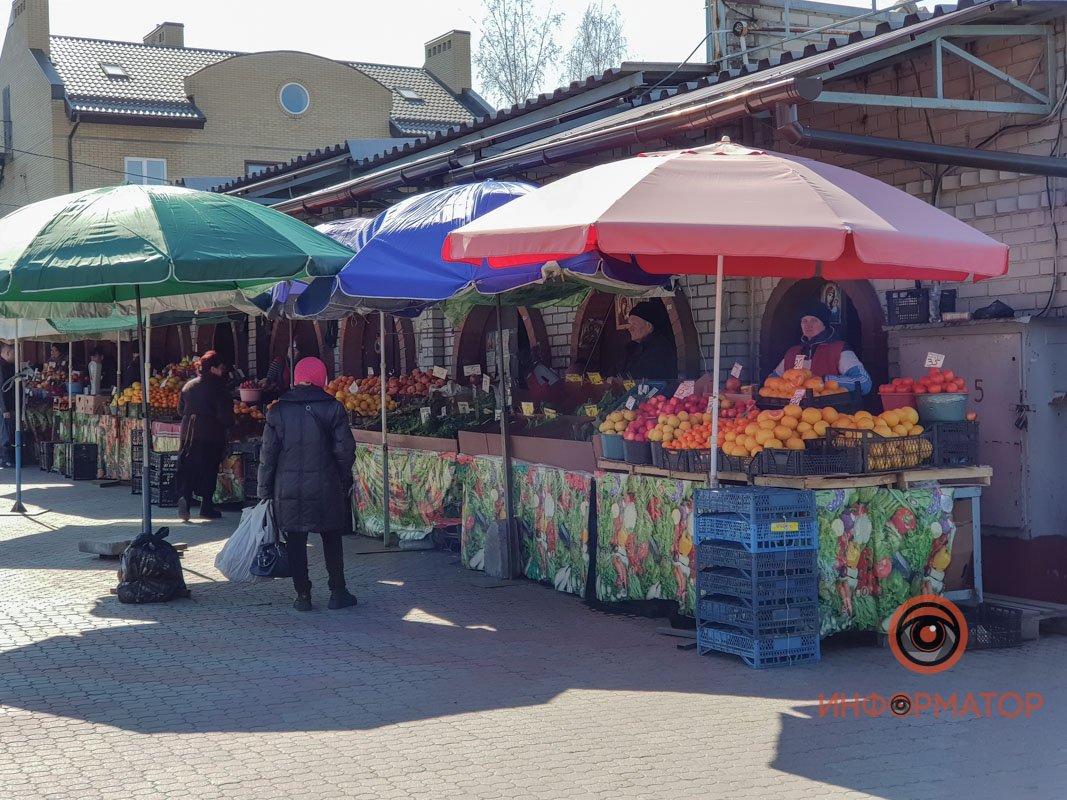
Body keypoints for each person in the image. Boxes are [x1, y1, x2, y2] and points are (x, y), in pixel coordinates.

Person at [258, 356, 357, 612]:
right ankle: (338, 590)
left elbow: (267, 455)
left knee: (296, 540)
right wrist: (341, 475)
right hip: (325, 484)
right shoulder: (334, 408)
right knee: (332, 537)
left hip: (288, 488)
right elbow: (345, 450)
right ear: (321, 378)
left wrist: (264, 490)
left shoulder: (277, 410)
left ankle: (303, 595)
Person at [175, 351, 234, 521]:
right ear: (213, 369)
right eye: (220, 367)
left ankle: (185, 499)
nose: (223, 371)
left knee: (187, 467)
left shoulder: (188, 386)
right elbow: (226, 416)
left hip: (187, 433)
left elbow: (180, 410)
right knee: (208, 468)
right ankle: (206, 506)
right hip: (210, 434)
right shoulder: (219, 389)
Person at [770, 302, 872, 394]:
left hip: (830, 412)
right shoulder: (792, 352)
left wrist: (822, 380)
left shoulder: (839, 349)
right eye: (804, 321)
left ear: (824, 325)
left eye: (814, 320)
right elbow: (772, 380)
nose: (808, 325)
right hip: (792, 412)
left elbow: (864, 382)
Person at [621, 301, 677, 380]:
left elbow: (641, 375)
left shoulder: (659, 347)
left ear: (649, 327)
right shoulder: (633, 348)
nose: (630, 329)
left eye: (634, 325)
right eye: (629, 325)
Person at [0, 343, 15, 468]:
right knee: (5, 432)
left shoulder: (8, 366)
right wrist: (5, 409)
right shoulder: (2, 367)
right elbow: (1, 389)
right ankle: (6, 458)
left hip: (5, 405)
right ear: (8, 353)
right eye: (14, 353)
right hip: (3, 406)